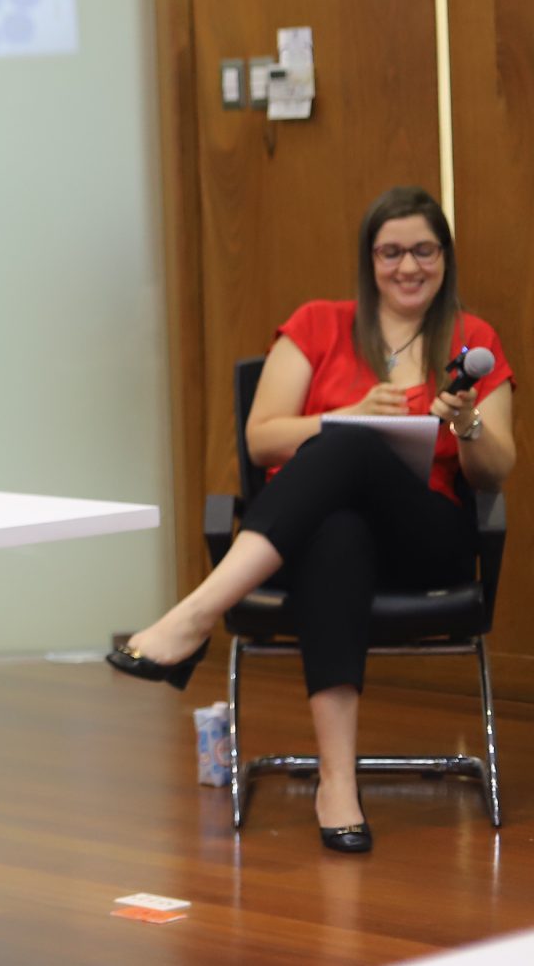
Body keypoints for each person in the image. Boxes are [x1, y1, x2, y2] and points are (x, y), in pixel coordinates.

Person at [110, 186, 515, 853]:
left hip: (425, 542)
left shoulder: (474, 339)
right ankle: (337, 784)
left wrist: (467, 423)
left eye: (424, 250)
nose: (408, 266)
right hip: (311, 545)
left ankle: (195, 614)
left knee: (351, 451)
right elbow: (261, 439)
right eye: (391, 252)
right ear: (369, 258)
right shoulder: (318, 323)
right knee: (337, 528)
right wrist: (350, 414)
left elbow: (496, 471)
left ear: (445, 257)